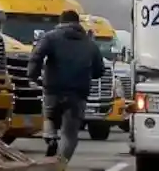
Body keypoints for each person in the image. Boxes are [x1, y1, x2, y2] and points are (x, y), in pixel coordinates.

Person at [28, 10, 104, 165]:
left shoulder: (50, 37)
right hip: (78, 94)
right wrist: (88, 75)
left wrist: (33, 76)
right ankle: (60, 164)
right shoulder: (90, 44)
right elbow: (99, 70)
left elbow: (37, 56)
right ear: (78, 23)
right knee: (70, 134)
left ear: (61, 22)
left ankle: (50, 137)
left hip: (53, 90)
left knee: (49, 115)